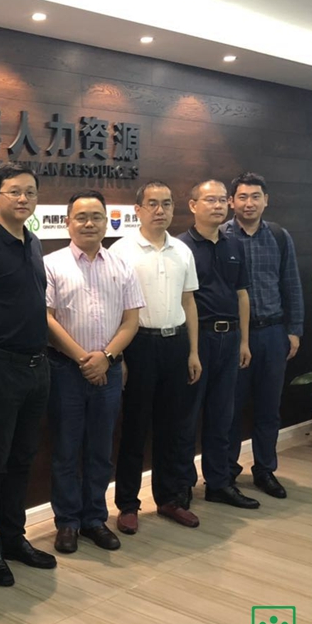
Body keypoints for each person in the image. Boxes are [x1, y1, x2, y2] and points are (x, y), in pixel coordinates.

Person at [0, 162, 56, 588]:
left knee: (22, 459)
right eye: (14, 191)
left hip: (37, 366)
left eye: (30, 192)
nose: (23, 199)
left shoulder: (33, 242)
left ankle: (14, 538)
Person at [45, 190, 144, 554]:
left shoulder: (122, 265)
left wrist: (106, 357)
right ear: (68, 222)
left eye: (96, 217)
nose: (89, 223)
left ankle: (94, 519)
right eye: (81, 217)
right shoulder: (51, 264)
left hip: (110, 370)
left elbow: (131, 321)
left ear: (106, 221)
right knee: (66, 449)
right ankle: (67, 522)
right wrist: (85, 360)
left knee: (101, 450)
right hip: (65, 371)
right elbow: (45, 319)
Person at [109, 181, 202, 534]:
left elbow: (188, 302)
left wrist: (193, 351)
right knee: (134, 428)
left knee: (173, 427)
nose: (160, 210)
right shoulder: (121, 250)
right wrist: (120, 356)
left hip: (176, 344)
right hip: (139, 345)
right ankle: (128, 505)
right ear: (138, 210)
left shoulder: (182, 251)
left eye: (166, 203)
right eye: (152, 204)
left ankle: (170, 499)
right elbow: (115, 308)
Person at [177, 180, 259, 510]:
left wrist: (245, 341)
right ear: (193, 205)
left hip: (230, 338)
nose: (218, 205)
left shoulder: (233, 244)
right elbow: (182, 300)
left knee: (222, 416)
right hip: (197, 339)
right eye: (210, 200)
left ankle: (219, 483)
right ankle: (182, 485)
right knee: (187, 417)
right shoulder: (181, 247)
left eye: (222, 200)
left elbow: (242, 294)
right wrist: (192, 349)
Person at [223, 172, 305, 499]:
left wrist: (294, 330)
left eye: (255, 196)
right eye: (242, 197)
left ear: (266, 200)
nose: (249, 203)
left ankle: (265, 470)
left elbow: (292, 285)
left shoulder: (279, 237)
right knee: (229, 408)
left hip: (272, 333)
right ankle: (226, 470)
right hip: (233, 337)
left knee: (269, 407)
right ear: (232, 202)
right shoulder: (221, 237)